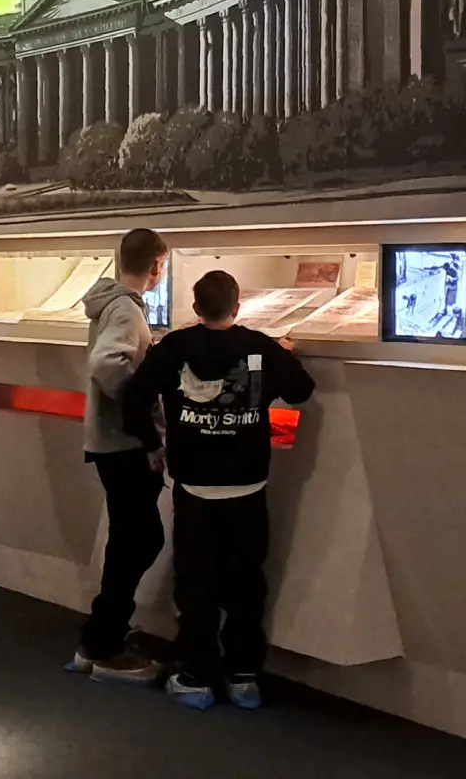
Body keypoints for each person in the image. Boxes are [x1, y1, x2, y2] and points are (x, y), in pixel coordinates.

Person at [122, 269, 315, 711]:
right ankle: (243, 677)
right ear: (237, 306)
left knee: (195, 584)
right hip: (248, 486)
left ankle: (195, 677)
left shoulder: (173, 348)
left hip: (194, 486)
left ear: (195, 307)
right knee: (246, 583)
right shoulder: (259, 347)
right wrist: (281, 360)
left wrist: (153, 444)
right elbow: (301, 390)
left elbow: (134, 400)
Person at [67, 227, 170, 683]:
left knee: (129, 539)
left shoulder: (109, 304)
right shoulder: (127, 309)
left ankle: (100, 635)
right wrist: (140, 405)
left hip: (111, 441)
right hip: (125, 444)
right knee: (141, 540)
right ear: (157, 266)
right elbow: (108, 363)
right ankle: (103, 644)